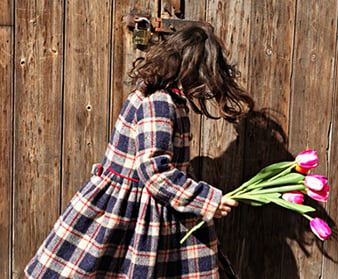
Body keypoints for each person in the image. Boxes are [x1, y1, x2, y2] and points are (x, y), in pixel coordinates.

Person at [25, 22, 254, 278]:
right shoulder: (160, 102)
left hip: (136, 206)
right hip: (133, 212)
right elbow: (153, 172)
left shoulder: (150, 92)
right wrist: (207, 200)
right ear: (191, 69)